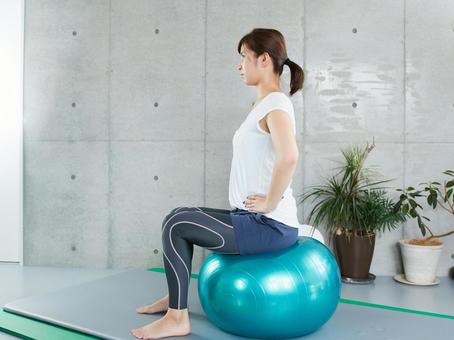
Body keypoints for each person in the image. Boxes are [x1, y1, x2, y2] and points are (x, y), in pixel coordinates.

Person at [131, 28, 305, 339]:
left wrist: (270, 202)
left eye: (244, 57)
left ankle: (177, 318)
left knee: (176, 225)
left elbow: (289, 156)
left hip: (270, 226)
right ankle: (176, 300)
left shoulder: (276, 104)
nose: (240, 65)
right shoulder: (264, 105)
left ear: (263, 59)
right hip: (250, 219)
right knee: (177, 215)